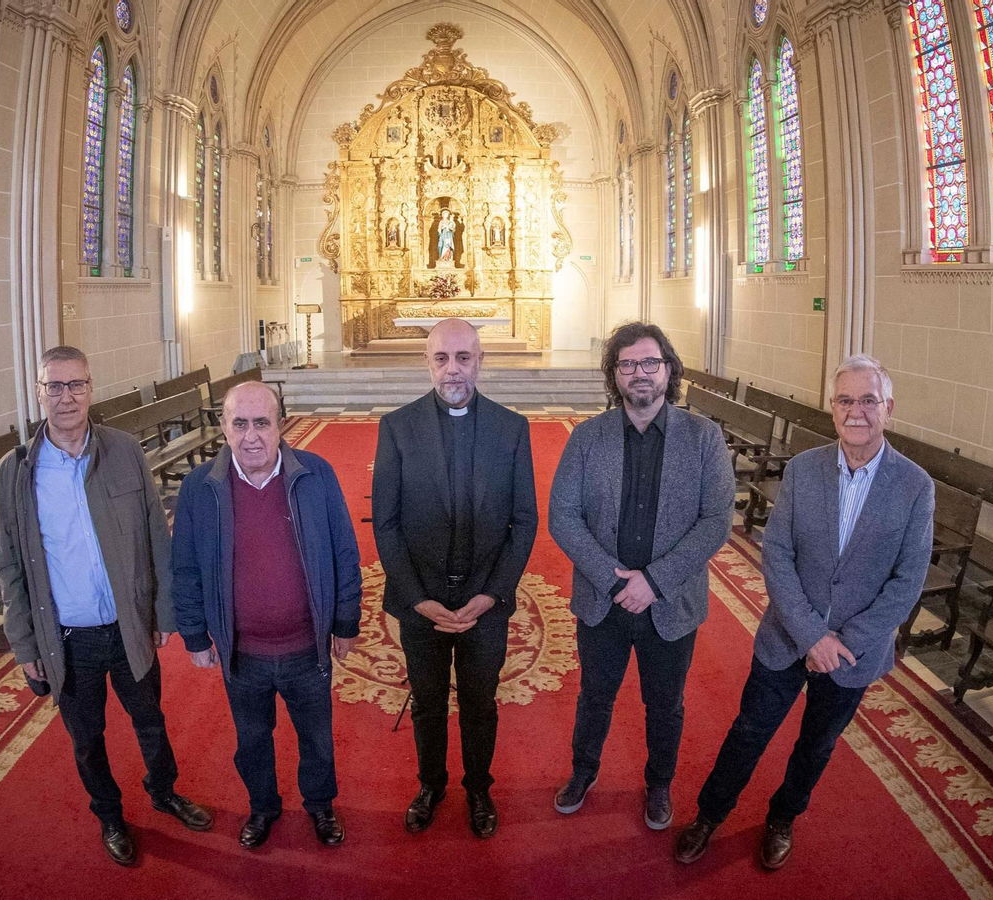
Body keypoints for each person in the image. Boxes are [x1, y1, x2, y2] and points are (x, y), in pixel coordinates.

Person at [674, 354, 934, 868]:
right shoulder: (804, 469)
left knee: (816, 745)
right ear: (832, 408)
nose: (855, 411)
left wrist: (843, 643)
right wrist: (812, 634)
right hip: (787, 636)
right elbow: (779, 554)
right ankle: (709, 814)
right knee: (749, 731)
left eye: (868, 400)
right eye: (845, 400)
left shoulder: (915, 486)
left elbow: (907, 582)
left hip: (853, 655)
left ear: (889, 408)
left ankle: (782, 818)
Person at [0, 346, 210, 867]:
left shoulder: (124, 450)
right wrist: (24, 644)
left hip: (128, 625)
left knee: (150, 719)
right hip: (67, 636)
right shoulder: (14, 473)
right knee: (87, 739)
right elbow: (8, 565)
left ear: (91, 387)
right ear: (38, 392)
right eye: (54, 387)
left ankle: (163, 791)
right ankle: (110, 815)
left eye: (76, 385)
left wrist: (162, 611)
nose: (66, 398)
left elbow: (157, 535)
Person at [548, 322, 734, 831]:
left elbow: (716, 520)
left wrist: (653, 581)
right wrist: (615, 581)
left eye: (650, 363)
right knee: (595, 695)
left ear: (669, 370)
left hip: (669, 602)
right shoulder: (587, 437)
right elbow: (562, 515)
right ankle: (583, 772)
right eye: (627, 365)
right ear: (615, 375)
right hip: (602, 600)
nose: (640, 373)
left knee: (664, 703)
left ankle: (658, 784)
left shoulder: (703, 438)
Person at [172, 381, 362, 850]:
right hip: (243, 653)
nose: (251, 435)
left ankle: (319, 804)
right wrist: (195, 635)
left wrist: (346, 622)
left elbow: (344, 551)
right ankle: (263, 807)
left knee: (316, 738)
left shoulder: (315, 474)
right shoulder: (201, 488)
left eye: (262, 423)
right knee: (252, 739)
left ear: (281, 425)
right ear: (223, 427)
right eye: (240, 423)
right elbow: (186, 566)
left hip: (306, 645)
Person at [372, 318, 537, 838]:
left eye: (464, 357)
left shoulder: (512, 428)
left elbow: (525, 520)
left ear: (481, 361)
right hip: (421, 601)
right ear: (427, 362)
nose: (453, 370)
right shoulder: (397, 428)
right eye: (442, 358)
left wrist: (493, 594)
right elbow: (386, 521)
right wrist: (416, 599)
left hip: (484, 601)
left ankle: (479, 787)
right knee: (426, 701)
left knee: (479, 703)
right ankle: (431, 783)